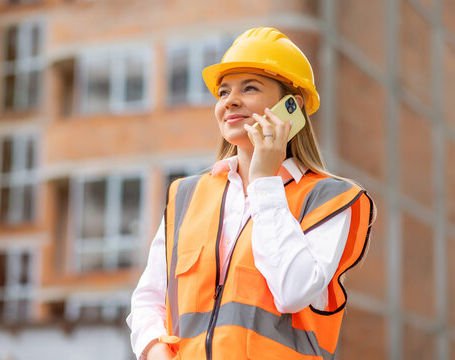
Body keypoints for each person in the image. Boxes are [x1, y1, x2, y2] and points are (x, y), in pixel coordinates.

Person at [127, 27, 374, 360]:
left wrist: (263, 181)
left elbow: (292, 292)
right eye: (224, 91)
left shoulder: (330, 200)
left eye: (250, 88)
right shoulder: (185, 196)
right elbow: (148, 299)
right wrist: (156, 352)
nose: (230, 101)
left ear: (292, 106)